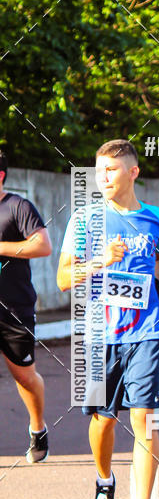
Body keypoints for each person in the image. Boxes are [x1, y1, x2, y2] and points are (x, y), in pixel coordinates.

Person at [57, 140, 159, 499]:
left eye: (111, 169)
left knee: (144, 416)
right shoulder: (85, 220)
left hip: (147, 331)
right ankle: (104, 481)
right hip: (99, 333)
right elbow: (61, 280)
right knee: (103, 420)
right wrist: (100, 262)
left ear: (133, 172)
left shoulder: (158, 219)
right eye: (98, 170)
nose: (102, 177)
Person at [0, 152, 52, 462]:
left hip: (14, 308)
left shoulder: (17, 207)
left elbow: (42, 245)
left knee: (24, 376)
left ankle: (38, 427)